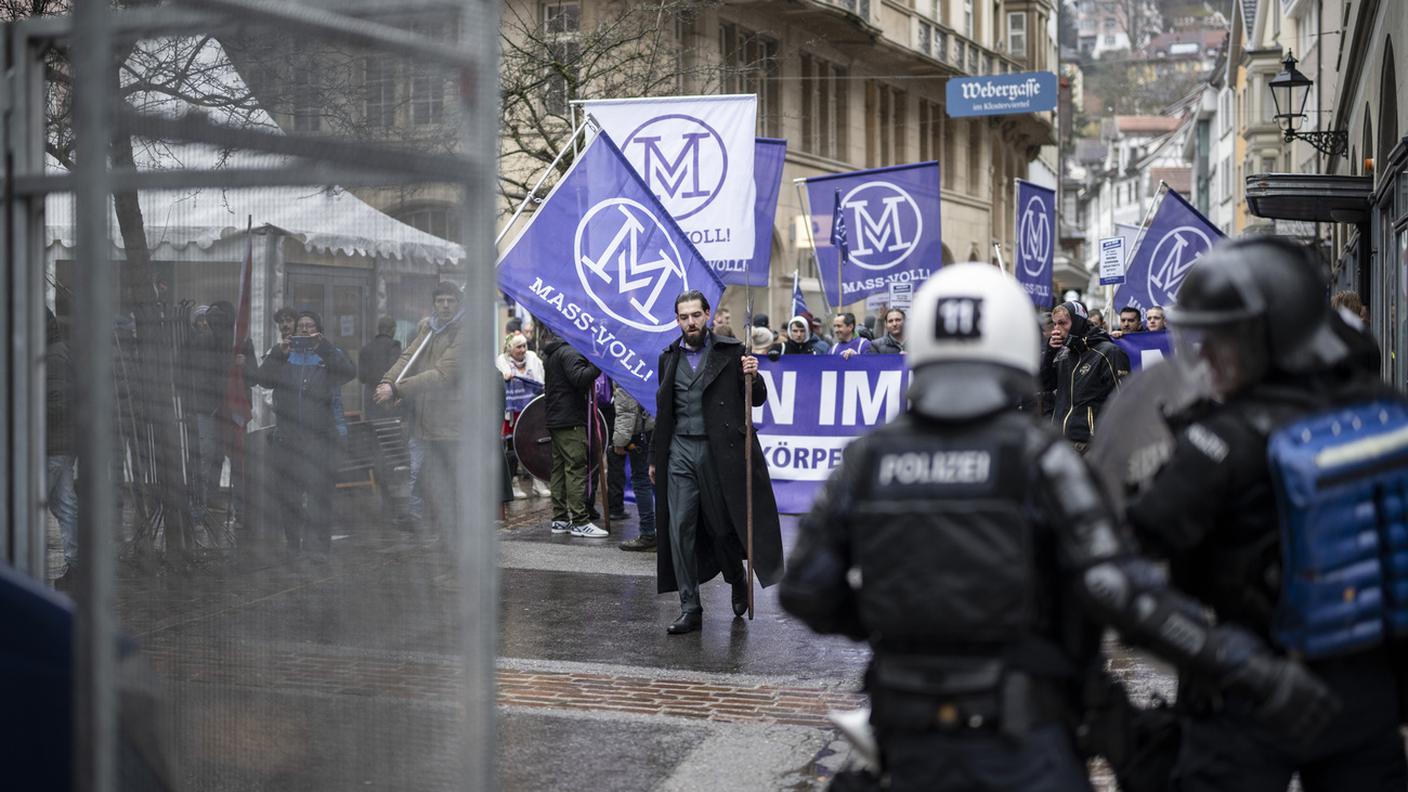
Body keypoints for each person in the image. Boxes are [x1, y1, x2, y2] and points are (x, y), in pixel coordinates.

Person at [781, 263, 1339, 792]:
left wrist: (894, 624)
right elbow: (1115, 589)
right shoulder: (1039, 456)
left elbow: (806, 589)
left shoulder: (867, 459)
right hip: (1024, 736)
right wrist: (1251, 669)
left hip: (903, 726)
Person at [1125, 236, 1407, 792]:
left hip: (1248, 690)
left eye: (1218, 339)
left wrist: (1214, 655)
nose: (1203, 355)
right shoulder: (1383, 414)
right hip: (1366, 689)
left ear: (1264, 336)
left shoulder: (1221, 440)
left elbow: (1120, 570)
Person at [651, 290, 783, 634]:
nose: (690, 322)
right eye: (683, 317)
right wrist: (655, 457)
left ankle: (736, 579)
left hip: (717, 451)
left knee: (722, 529)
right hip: (679, 450)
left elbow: (755, 399)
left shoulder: (731, 352)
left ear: (707, 314)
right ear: (677, 320)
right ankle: (690, 606)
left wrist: (754, 374)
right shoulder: (668, 358)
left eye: (695, 315)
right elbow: (663, 412)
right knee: (678, 528)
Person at [256, 310, 355, 556]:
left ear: (319, 330)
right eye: (301, 325)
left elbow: (349, 373)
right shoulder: (282, 356)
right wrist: (279, 353)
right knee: (289, 495)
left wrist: (324, 347)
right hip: (288, 439)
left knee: (320, 495)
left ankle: (321, 547)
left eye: (311, 326)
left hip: (319, 439)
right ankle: (293, 545)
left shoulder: (327, 355)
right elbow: (261, 379)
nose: (304, 330)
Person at [377, 283, 464, 538]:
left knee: (449, 482)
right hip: (424, 421)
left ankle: (454, 536)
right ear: (434, 304)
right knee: (426, 478)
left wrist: (397, 389)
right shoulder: (429, 328)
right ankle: (438, 531)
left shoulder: (464, 330)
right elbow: (408, 358)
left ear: (458, 304)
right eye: (441, 301)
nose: (445, 305)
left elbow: (443, 374)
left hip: (452, 424)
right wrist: (387, 381)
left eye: (450, 301)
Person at [539, 325, 604, 538]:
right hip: (570, 420)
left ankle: (559, 519)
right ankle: (579, 521)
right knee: (575, 468)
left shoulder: (553, 352)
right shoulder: (569, 351)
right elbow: (580, 378)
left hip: (557, 418)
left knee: (559, 470)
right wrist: (598, 364)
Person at [1040, 300, 1128, 452]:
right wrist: (1050, 353)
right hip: (1061, 442)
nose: (1057, 330)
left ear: (1077, 322)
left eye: (1062, 323)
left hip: (1091, 444)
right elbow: (1044, 385)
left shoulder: (1109, 352)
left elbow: (1122, 402)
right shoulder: (1063, 354)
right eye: (1055, 324)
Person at [45, 308, 79, 583]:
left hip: (52, 445)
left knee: (26, 503)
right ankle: (76, 565)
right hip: (61, 444)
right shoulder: (58, 352)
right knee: (65, 504)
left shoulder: (54, 356)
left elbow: (57, 402)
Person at [496, 332, 549, 499]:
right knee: (512, 448)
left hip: (533, 412)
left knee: (535, 447)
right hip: (513, 413)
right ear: (510, 348)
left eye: (525, 345)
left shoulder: (533, 358)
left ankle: (538, 483)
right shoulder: (502, 360)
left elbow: (542, 378)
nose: (523, 349)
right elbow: (500, 378)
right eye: (518, 346)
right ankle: (514, 483)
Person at [613, 382, 657, 552]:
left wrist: (620, 441)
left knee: (641, 480)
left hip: (641, 433)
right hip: (660, 427)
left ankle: (648, 533)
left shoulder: (627, 361)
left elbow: (627, 409)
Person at [358, 317, 402, 419]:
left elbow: (362, 378)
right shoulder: (394, 346)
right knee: (389, 431)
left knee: (373, 431)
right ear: (393, 329)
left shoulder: (366, 349)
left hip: (370, 396)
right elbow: (396, 373)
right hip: (388, 396)